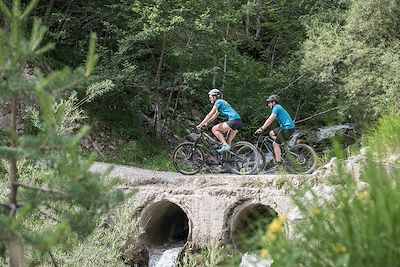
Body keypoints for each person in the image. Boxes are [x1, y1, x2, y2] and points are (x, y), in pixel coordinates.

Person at [196, 89, 243, 153]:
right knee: (228, 141)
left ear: (214, 97)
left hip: (233, 120)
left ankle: (225, 145)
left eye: (210, 97)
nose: (209, 99)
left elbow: (210, 114)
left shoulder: (218, 102)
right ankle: (228, 160)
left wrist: (200, 124)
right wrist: (206, 123)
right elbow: (214, 116)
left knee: (214, 129)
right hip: (238, 122)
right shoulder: (222, 103)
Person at [255, 95, 295, 164]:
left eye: (269, 102)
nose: (268, 104)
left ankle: (278, 162)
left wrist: (262, 128)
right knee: (271, 133)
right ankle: (282, 144)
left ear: (274, 102)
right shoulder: (278, 107)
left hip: (287, 128)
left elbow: (270, 119)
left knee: (275, 144)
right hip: (286, 127)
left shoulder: (276, 107)